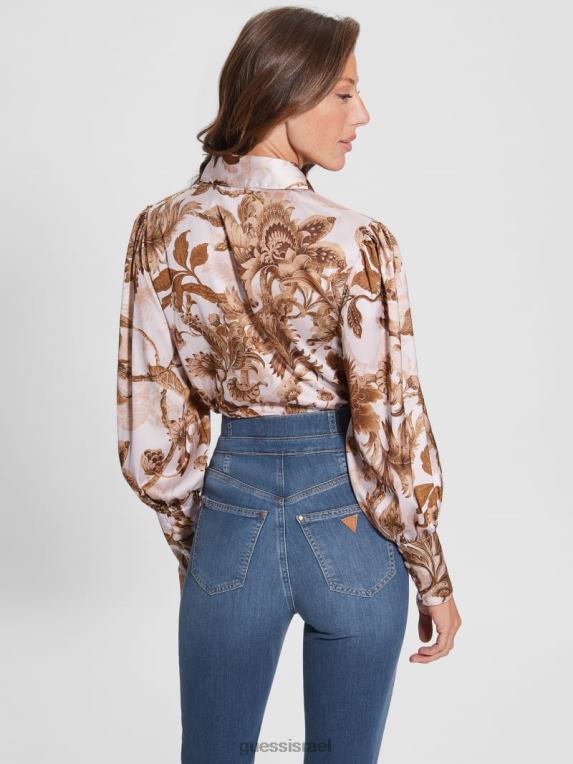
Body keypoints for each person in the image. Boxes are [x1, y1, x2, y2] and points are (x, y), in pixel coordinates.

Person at [116, 6, 461, 763]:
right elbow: (388, 422)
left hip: (229, 515)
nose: (362, 114)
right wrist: (430, 571)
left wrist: (202, 548)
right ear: (285, 90)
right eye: (344, 93)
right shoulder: (358, 239)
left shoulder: (159, 231)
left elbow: (153, 426)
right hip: (351, 523)